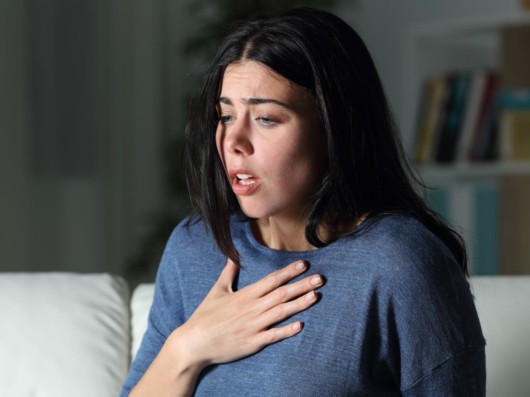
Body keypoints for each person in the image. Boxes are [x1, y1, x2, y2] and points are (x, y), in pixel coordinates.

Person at [121, 7, 485, 397]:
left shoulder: (401, 264)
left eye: (266, 119)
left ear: (333, 128)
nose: (234, 142)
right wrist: (187, 347)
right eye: (226, 116)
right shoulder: (195, 246)